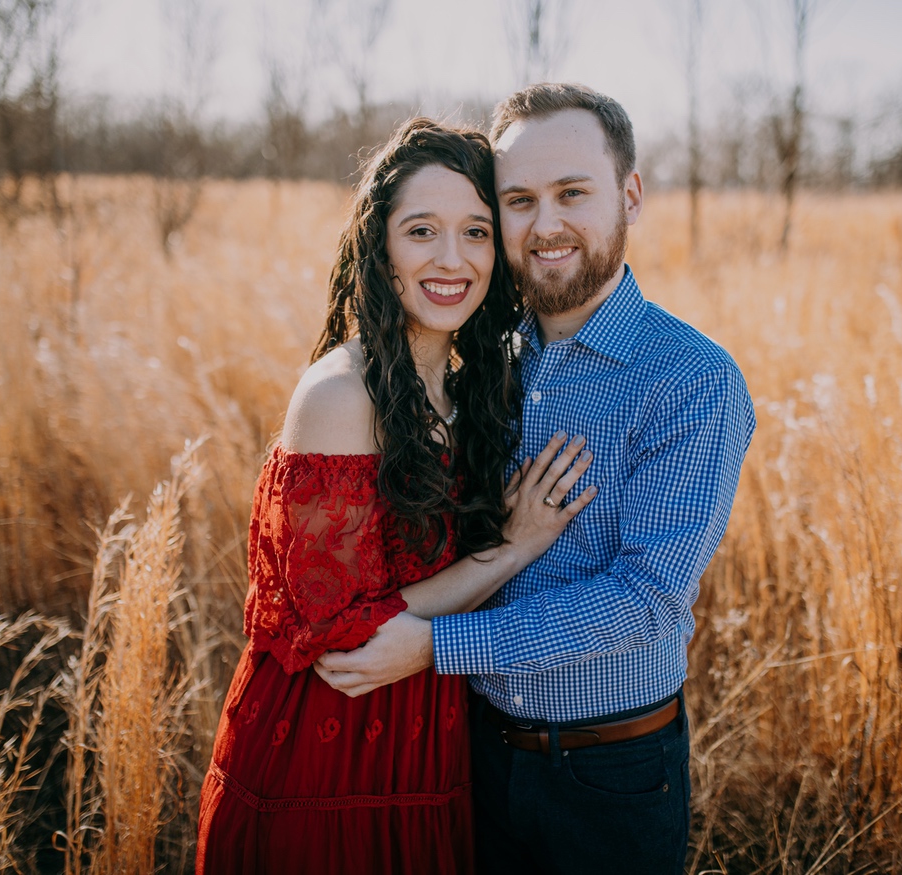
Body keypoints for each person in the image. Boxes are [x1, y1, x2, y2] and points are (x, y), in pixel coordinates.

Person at [315, 84, 756, 874]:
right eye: (519, 200)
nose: (545, 225)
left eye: (571, 193)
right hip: (469, 751)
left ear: (629, 195)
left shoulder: (690, 379)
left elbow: (646, 596)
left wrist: (435, 646)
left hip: (605, 772)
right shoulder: (487, 357)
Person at [194, 118, 597, 875]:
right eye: (422, 231)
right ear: (378, 246)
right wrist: (515, 544)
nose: (453, 260)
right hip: (324, 755)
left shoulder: (473, 380)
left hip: (427, 744)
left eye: (476, 232)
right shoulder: (341, 397)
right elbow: (347, 637)